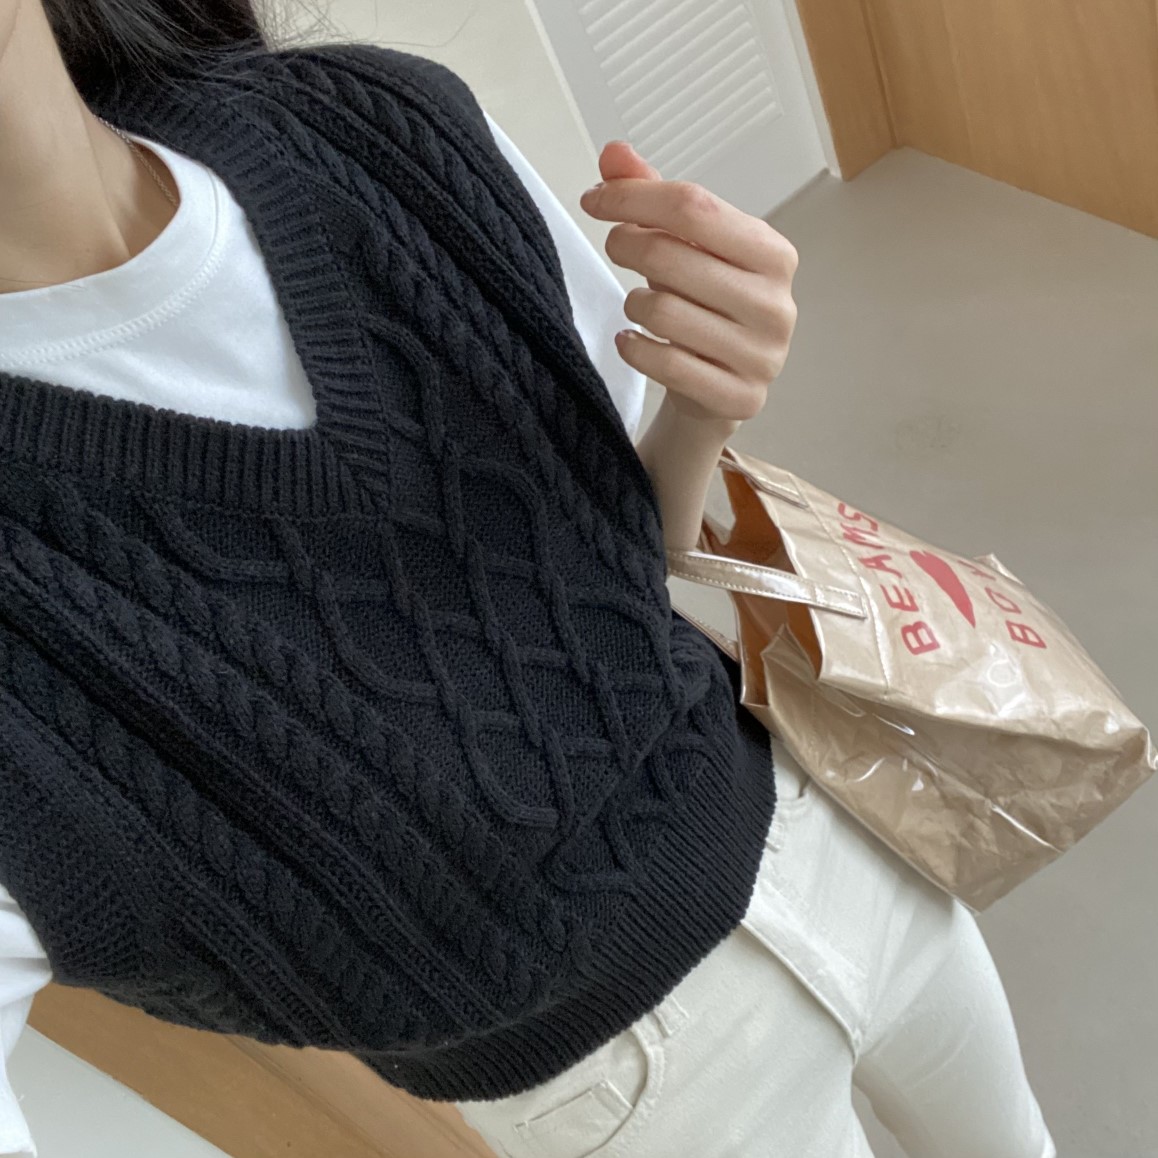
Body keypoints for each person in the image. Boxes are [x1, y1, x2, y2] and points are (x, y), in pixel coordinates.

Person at [0, 2, 1056, 1155]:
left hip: (829, 828)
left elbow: (619, 557)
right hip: (641, 1096)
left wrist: (702, 404)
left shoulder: (379, 124)